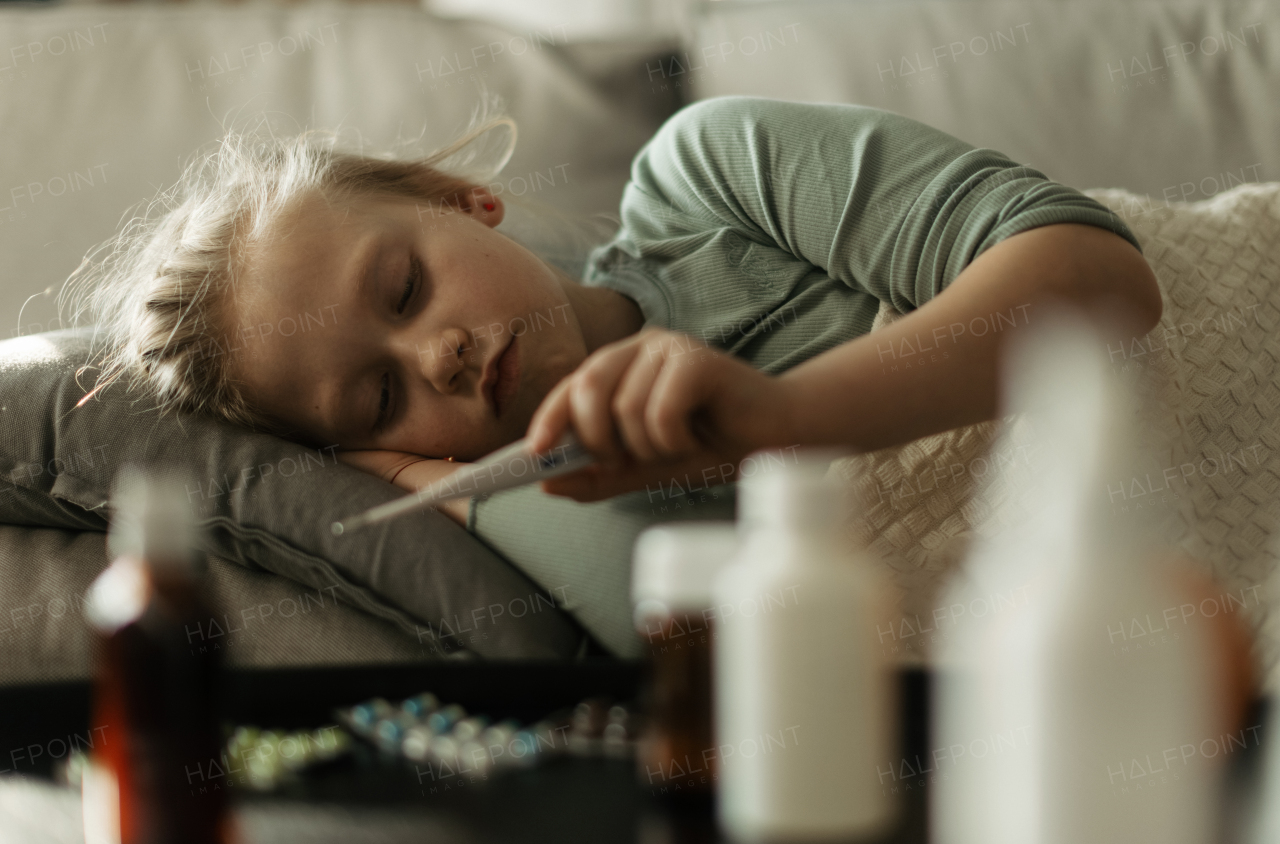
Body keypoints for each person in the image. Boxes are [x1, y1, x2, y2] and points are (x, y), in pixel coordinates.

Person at [67, 95, 1161, 531]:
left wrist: (774, 417)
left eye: (402, 290)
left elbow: (1098, 282)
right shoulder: (560, 503)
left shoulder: (709, 181)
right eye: (380, 389)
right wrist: (425, 484)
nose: (436, 353)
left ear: (466, 204)